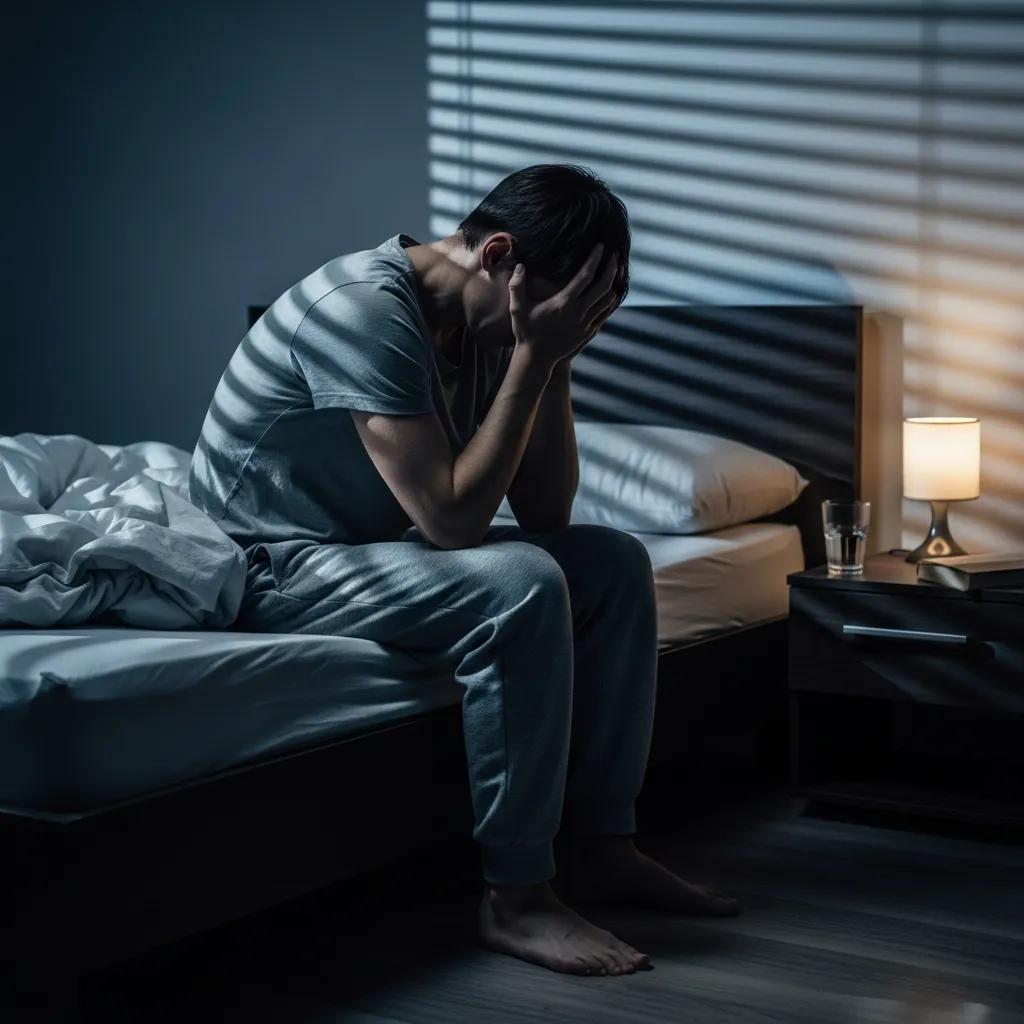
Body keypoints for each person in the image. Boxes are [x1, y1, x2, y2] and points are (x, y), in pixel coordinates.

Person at [189, 163, 739, 979]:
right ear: (499, 257)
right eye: (556, 311)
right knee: (521, 582)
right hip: (268, 561)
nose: (555, 332)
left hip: (367, 546)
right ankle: (517, 899)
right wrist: (531, 354)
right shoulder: (363, 312)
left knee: (614, 562)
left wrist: (551, 359)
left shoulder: (483, 324)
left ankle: (603, 846)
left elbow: (548, 512)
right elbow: (452, 522)